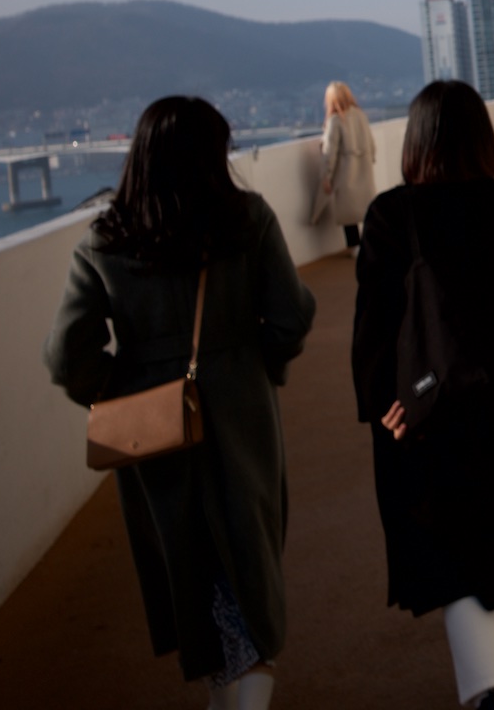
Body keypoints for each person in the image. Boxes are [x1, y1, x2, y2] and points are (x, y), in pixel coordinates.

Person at [45, 97, 316, 709]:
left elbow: (66, 355)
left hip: (153, 430)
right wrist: (257, 367)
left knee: (192, 566)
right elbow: (291, 317)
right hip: (239, 413)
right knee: (249, 563)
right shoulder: (246, 219)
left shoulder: (105, 238)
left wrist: (121, 389)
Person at [352, 80, 494, 710]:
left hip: (429, 413)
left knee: (453, 547)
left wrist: (382, 405)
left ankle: (486, 690)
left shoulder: (391, 215)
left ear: (414, 140)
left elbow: (374, 328)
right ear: (482, 136)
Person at [311, 81, 377, 253]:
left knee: (348, 213)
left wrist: (326, 176)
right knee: (365, 210)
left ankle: (354, 246)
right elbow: (372, 144)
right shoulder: (361, 115)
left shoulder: (335, 120)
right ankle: (369, 246)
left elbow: (329, 152)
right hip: (364, 168)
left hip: (345, 173)